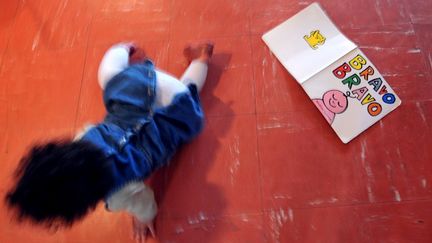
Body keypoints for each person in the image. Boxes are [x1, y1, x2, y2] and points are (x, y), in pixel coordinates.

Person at [5, 41, 214, 241]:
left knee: (187, 91)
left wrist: (144, 218)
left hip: (173, 110)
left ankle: (201, 59)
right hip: (140, 87)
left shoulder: (116, 194)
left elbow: (145, 202)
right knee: (108, 76)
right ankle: (123, 49)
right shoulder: (82, 139)